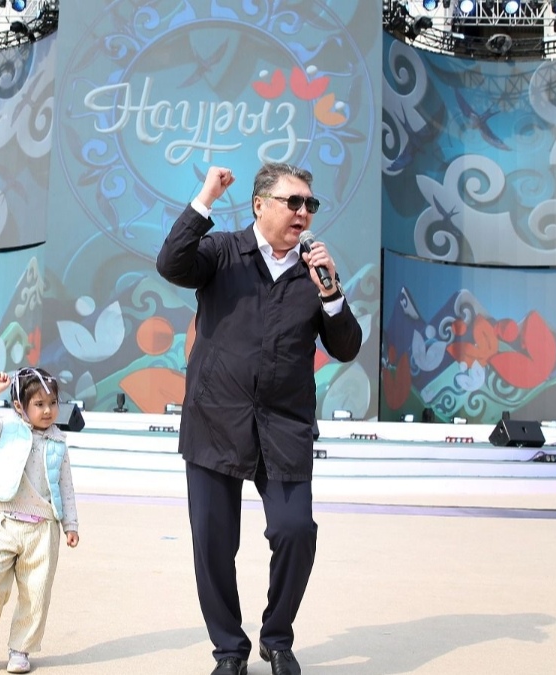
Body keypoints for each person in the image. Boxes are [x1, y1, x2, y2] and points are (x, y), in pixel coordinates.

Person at [156, 163, 363, 675]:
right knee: (213, 543)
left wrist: (331, 293)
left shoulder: (313, 272)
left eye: (310, 204)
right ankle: (229, 650)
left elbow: (346, 347)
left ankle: (276, 637)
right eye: (293, 201)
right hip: (215, 420)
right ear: (259, 205)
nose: (303, 212)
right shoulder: (222, 252)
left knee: (296, 531)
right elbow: (171, 264)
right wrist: (205, 198)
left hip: (285, 425)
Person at [0, 367, 80, 674]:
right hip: (3, 523)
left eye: (52, 403)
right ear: (19, 406)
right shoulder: (4, 432)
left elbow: (66, 485)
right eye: (39, 404)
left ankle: (20, 648)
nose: (48, 410)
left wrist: (71, 524)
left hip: (43, 529)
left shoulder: (58, 442)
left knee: (36, 593)